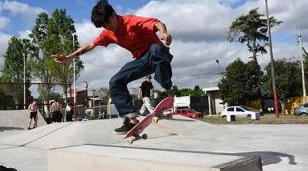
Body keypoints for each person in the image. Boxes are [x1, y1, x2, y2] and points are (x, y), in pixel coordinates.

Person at [52, 0, 173, 134]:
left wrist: (164, 33)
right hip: (142, 61)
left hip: (157, 53)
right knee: (115, 81)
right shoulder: (108, 33)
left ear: (113, 15)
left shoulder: (130, 21)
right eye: (105, 26)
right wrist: (69, 57)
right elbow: (90, 46)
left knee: (156, 49)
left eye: (109, 23)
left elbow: (157, 23)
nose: (109, 28)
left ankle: (165, 85)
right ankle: (131, 119)